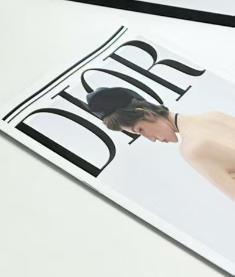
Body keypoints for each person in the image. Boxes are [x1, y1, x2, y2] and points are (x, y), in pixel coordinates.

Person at [87, 86, 235, 203]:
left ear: (147, 114)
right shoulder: (214, 116)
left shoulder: (192, 149)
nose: (151, 139)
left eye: (141, 130)